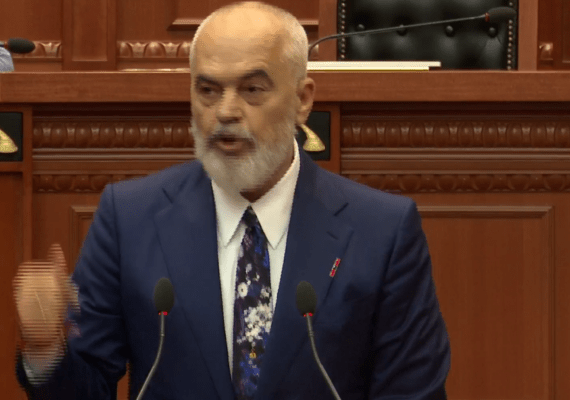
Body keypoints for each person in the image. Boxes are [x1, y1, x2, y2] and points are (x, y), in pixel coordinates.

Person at [13, 2, 451, 399]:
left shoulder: (383, 231)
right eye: (207, 90)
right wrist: (45, 347)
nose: (225, 111)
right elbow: (86, 388)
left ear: (302, 101)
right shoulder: (129, 219)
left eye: (252, 90)